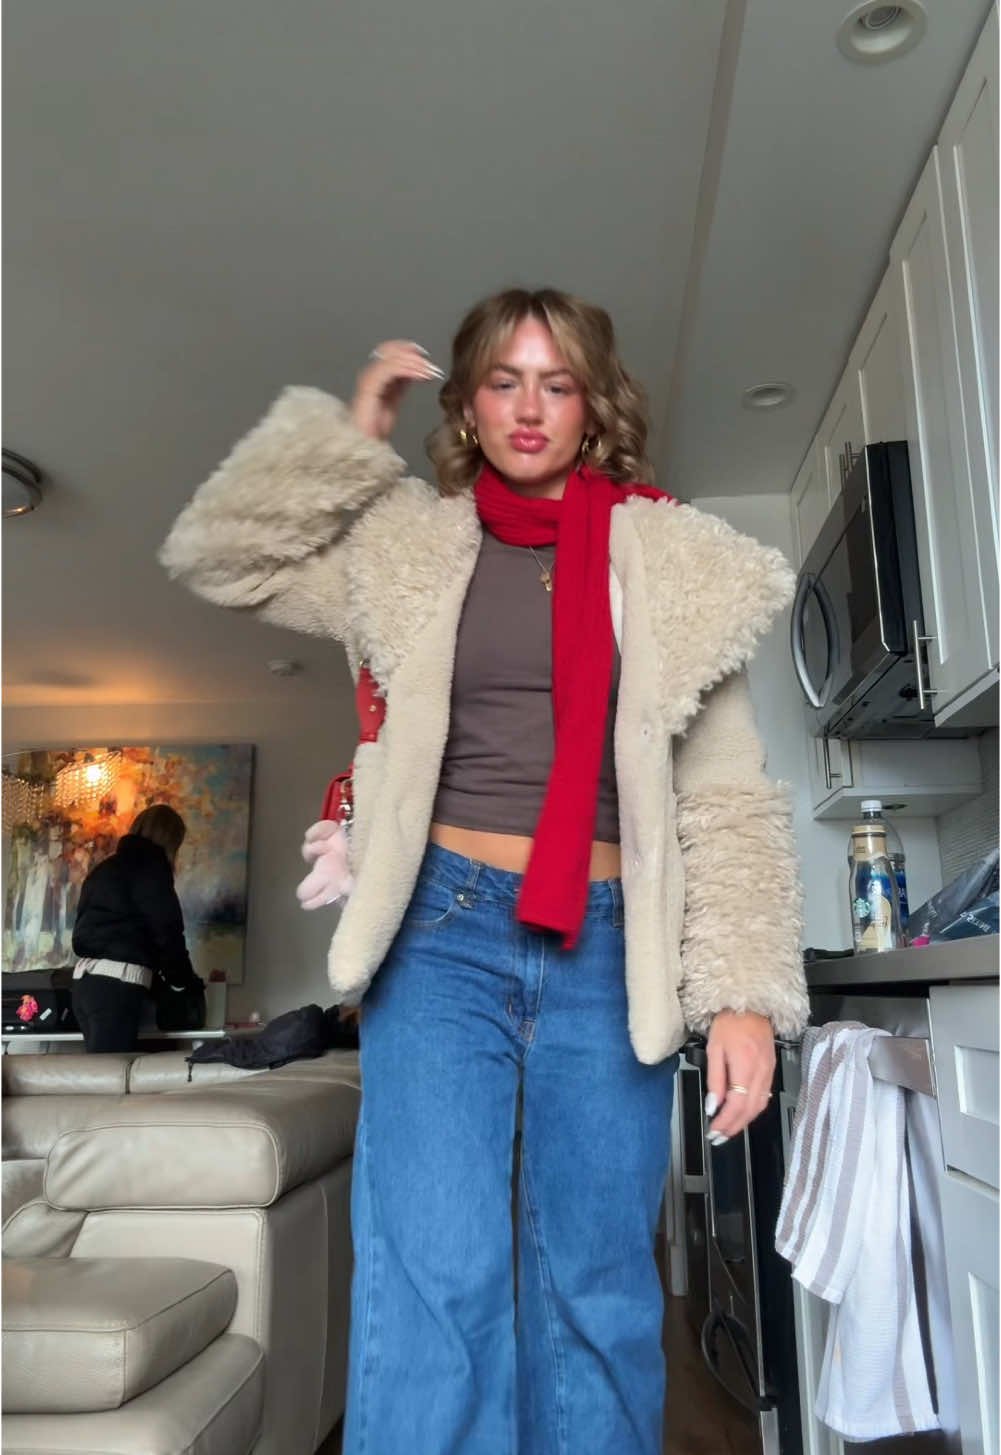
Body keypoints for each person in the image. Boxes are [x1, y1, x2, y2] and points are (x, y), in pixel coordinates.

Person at [162, 288, 808, 1454]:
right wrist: (351, 435)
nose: (528, 407)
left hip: (610, 942)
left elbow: (723, 792)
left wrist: (743, 995)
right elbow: (223, 560)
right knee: (437, 1273)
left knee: (596, 1283)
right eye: (503, 381)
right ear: (464, 403)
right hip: (441, 929)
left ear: (593, 404)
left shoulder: (676, 561)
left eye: (556, 383)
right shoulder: (409, 545)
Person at [71, 804, 200, 1052]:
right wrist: (184, 981)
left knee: (101, 1070)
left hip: (84, 984)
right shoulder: (151, 872)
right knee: (115, 1072)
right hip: (117, 986)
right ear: (171, 842)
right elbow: (168, 934)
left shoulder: (104, 869)